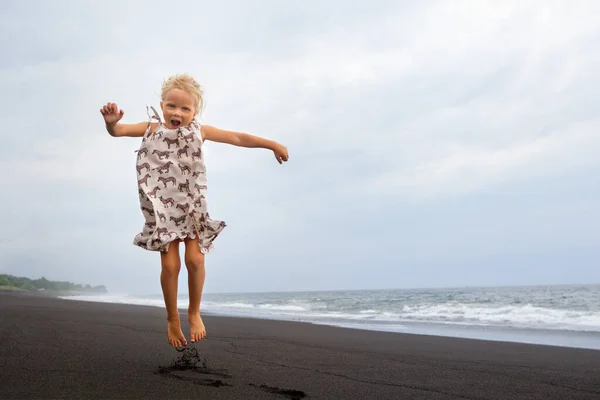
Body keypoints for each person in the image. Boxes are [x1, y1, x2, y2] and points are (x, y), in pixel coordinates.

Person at [100, 73, 289, 348]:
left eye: (185, 108)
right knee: (170, 265)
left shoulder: (199, 131)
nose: (177, 112)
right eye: (171, 106)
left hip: (191, 206)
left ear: (195, 112)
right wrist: (111, 124)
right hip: (161, 206)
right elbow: (118, 131)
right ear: (162, 105)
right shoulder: (151, 128)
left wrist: (271, 144)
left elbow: (237, 137)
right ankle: (172, 318)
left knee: (196, 261)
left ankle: (194, 312)